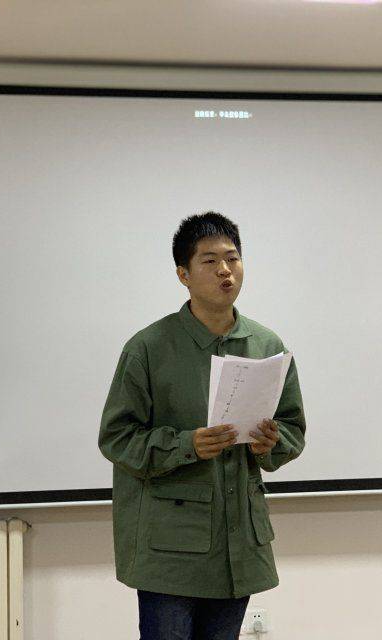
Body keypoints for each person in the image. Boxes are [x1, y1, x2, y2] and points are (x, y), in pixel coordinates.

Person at [98, 211, 306, 640]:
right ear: (183, 274)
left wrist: (270, 442)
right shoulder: (148, 348)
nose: (225, 270)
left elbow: (291, 429)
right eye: (209, 261)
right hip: (170, 551)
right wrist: (186, 444)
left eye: (232, 258)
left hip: (238, 546)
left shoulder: (267, 345)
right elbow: (117, 438)